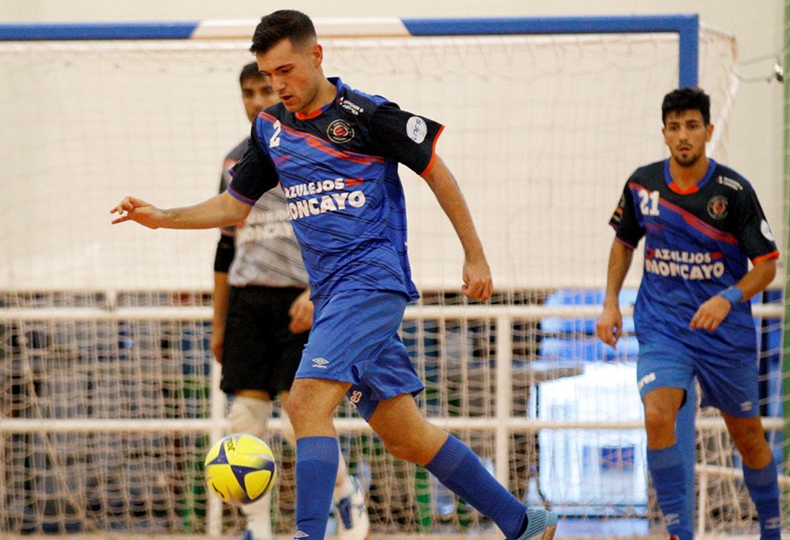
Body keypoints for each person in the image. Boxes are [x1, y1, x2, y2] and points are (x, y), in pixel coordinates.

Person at [112, 10, 557, 540]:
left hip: (371, 282)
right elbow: (235, 206)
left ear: (316, 55)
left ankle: (309, 534)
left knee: (304, 403)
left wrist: (475, 255)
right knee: (405, 435)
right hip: (333, 296)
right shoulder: (271, 129)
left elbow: (436, 170)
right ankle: (524, 522)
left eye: (286, 71)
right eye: (268, 75)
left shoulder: (367, 114)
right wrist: (163, 216)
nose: (278, 85)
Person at [595, 87, 782, 540]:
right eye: (675, 127)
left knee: (749, 439)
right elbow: (623, 243)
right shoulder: (642, 185)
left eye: (692, 126)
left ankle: (774, 532)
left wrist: (728, 298)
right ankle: (680, 532)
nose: (684, 135)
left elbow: (768, 266)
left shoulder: (734, 192)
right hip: (664, 330)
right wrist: (610, 301)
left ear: (708, 131)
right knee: (657, 415)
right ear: (664, 134)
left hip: (724, 334)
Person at [212, 61, 368, 540]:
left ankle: (345, 498)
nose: (258, 100)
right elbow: (223, 247)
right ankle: (256, 527)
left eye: (265, 89)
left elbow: (346, 234)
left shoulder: (312, 148)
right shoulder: (234, 161)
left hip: (303, 303)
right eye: (248, 92)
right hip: (247, 301)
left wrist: (315, 294)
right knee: (243, 422)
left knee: (300, 419)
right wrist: (219, 323)